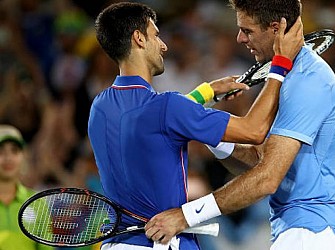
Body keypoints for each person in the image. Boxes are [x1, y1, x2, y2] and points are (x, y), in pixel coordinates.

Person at [145, 0, 335, 250]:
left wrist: (186, 216)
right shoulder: (286, 78)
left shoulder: (307, 81)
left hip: (313, 235)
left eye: (247, 31)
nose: (239, 39)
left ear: (275, 29)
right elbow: (260, 160)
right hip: (301, 232)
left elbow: (268, 177)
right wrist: (207, 130)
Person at [88, 2, 303, 250]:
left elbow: (150, 123)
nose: (163, 45)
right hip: (160, 243)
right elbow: (254, 130)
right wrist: (280, 66)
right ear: (139, 38)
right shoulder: (167, 107)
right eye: (156, 35)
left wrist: (207, 92)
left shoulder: (100, 107)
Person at [0, 125, 53, 250]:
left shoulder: (37, 203)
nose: (8, 158)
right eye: (0, 151)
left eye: (14, 151)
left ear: (23, 156)